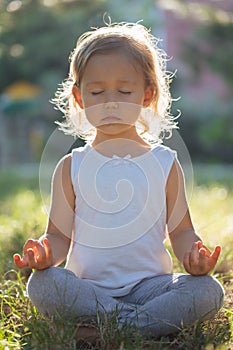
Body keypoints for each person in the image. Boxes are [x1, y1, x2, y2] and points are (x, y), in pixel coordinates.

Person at [13, 22, 224, 339]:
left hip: (151, 286)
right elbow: (57, 237)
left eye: (124, 91)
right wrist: (44, 255)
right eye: (97, 92)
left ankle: (101, 330)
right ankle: (139, 326)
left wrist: (193, 258)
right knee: (43, 283)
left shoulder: (165, 163)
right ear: (79, 96)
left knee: (207, 291)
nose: (110, 102)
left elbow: (181, 231)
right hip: (88, 290)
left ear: (147, 94)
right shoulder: (71, 166)